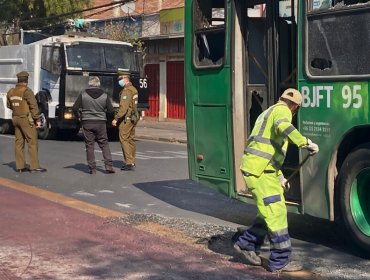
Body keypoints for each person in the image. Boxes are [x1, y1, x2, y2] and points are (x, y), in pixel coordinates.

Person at [233, 88, 319, 272]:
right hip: (259, 171)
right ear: (295, 106)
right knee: (276, 213)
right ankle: (280, 260)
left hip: (262, 169)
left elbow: (268, 149)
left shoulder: (268, 111)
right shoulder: (282, 111)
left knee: (268, 211)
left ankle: (246, 244)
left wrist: (280, 176)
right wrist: (305, 143)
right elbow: (284, 127)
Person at [72, 76, 115, 174]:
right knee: (104, 143)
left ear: (89, 84)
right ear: (99, 84)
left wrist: (79, 116)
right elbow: (111, 110)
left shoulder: (83, 95)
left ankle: (92, 168)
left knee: (89, 145)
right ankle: (108, 166)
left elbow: (75, 108)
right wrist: (106, 118)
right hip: (100, 122)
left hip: (87, 122)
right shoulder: (105, 95)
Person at [6, 71, 47, 173]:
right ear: (26, 80)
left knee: (19, 142)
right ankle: (34, 166)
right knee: (32, 142)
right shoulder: (27, 91)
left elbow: (8, 105)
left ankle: (20, 166)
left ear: (18, 80)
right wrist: (37, 119)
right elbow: (33, 106)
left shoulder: (11, 91)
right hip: (26, 119)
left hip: (15, 118)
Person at [112, 72, 139, 171]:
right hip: (133, 118)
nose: (119, 81)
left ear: (126, 79)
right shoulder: (134, 89)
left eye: (121, 79)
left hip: (126, 119)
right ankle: (132, 160)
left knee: (124, 139)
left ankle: (128, 163)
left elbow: (123, 108)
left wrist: (116, 118)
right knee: (131, 140)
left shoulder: (127, 91)